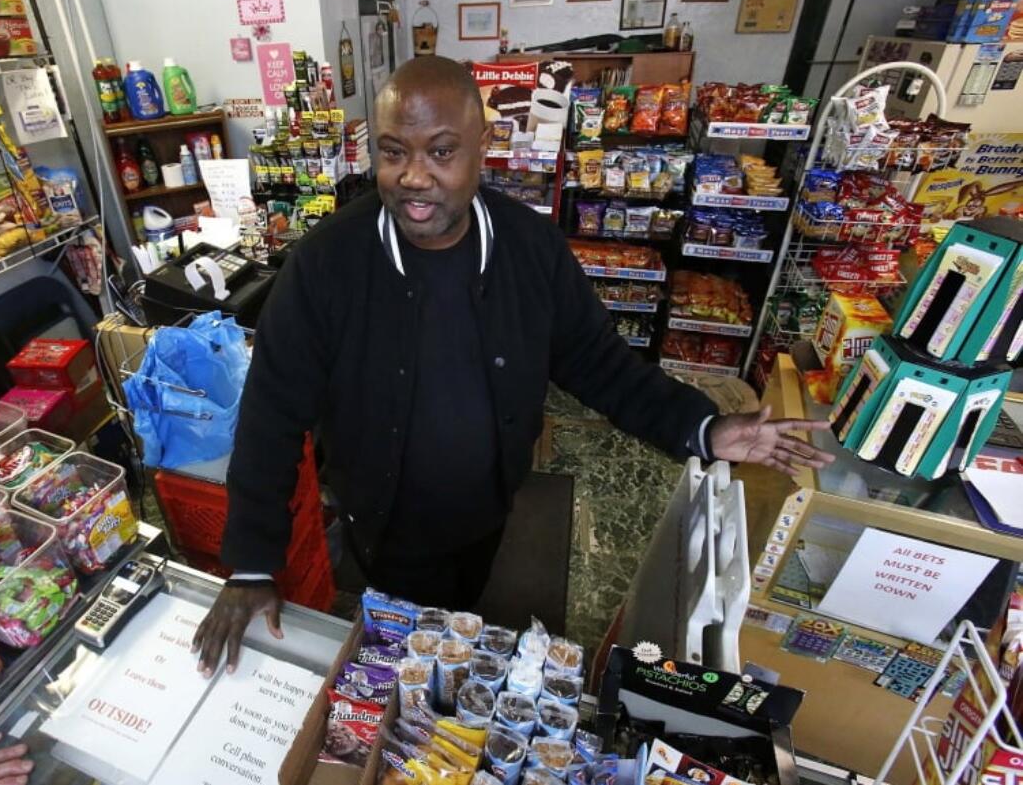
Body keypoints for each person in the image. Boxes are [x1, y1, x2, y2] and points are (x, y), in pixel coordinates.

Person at [192, 56, 833, 675]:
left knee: (468, 599)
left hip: (492, 506)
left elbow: (598, 362)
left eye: (441, 151)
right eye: (394, 152)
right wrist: (252, 565)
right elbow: (272, 413)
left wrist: (707, 428)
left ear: (483, 145)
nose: (415, 176)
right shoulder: (326, 264)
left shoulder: (530, 248)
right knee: (410, 636)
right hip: (383, 520)